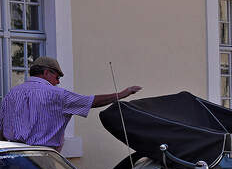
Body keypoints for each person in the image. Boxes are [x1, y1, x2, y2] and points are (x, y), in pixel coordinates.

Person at [0, 56, 141, 151]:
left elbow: (1, 129)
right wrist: (122, 94)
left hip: (16, 156)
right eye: (57, 76)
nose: (58, 82)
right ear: (47, 72)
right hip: (42, 157)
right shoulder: (55, 94)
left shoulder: (11, 94)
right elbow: (91, 101)